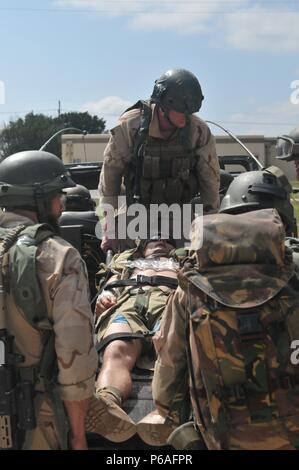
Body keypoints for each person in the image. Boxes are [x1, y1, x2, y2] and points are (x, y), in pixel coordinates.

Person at [151, 209, 299, 450]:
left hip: (224, 433)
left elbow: (170, 360)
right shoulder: (293, 278)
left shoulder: (190, 290)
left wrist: (166, 408)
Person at [0, 150, 98, 450]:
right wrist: (78, 435)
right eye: (58, 195)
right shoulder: (58, 257)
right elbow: (75, 362)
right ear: (40, 199)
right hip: (35, 415)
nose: (61, 204)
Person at [99, 68, 220, 252]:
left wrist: (211, 229)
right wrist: (109, 226)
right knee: (122, 264)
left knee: (190, 262)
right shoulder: (130, 127)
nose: (187, 116)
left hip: (179, 213)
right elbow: (110, 179)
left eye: (190, 111)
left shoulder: (198, 131)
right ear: (164, 105)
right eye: (182, 110)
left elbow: (210, 184)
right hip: (135, 212)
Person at [85, 235, 180, 443]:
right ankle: (107, 405)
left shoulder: (181, 260)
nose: (161, 242)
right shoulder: (127, 261)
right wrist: (105, 296)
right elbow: (111, 280)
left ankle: (166, 413)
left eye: (167, 240)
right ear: (143, 248)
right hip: (129, 302)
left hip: (170, 302)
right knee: (116, 349)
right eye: (154, 240)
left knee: (173, 350)